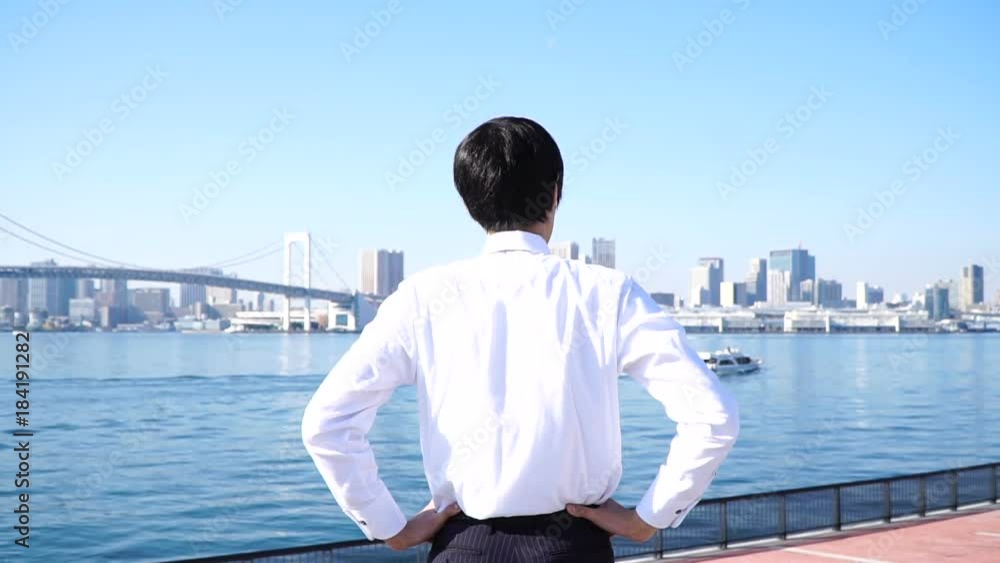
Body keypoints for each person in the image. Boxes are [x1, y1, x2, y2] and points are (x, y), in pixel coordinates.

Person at [301, 116, 740, 562]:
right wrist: (648, 518)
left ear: (470, 202)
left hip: (463, 547)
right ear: (555, 193)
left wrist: (390, 528)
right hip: (571, 546)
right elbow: (714, 417)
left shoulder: (421, 296)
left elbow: (327, 424)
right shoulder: (607, 292)